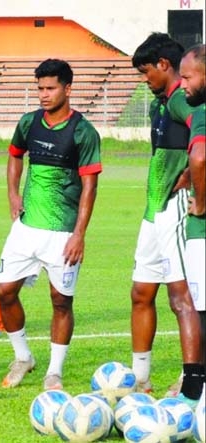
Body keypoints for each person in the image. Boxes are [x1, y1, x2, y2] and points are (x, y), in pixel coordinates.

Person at [0, 59, 101, 391]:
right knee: (4, 291)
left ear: (67, 89)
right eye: (39, 88)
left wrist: (79, 235)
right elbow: (14, 156)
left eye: (50, 88)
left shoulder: (84, 132)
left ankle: (54, 371)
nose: (43, 94)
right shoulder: (28, 123)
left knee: (60, 301)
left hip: (62, 234)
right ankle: (23, 356)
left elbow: (90, 186)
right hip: (26, 229)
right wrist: (13, 193)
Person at [127, 33, 203, 399]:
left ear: (164, 66)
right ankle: (139, 379)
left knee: (181, 297)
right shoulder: (161, 103)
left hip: (174, 208)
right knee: (141, 292)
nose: (144, 79)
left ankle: (191, 382)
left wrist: (190, 174)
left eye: (146, 71)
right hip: (151, 209)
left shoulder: (182, 102)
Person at [175, 43, 206, 406]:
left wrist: (201, 201)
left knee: (201, 308)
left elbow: (200, 155)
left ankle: (195, 391)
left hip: (203, 231)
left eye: (187, 77)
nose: (182, 85)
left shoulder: (202, 113)